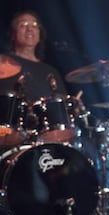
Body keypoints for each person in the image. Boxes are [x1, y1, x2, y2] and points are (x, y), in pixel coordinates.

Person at [0, 10, 77, 144]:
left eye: (34, 25)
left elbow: (61, 109)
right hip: (9, 136)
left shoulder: (51, 71)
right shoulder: (3, 63)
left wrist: (73, 107)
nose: (30, 28)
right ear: (13, 33)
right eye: (23, 25)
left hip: (46, 140)